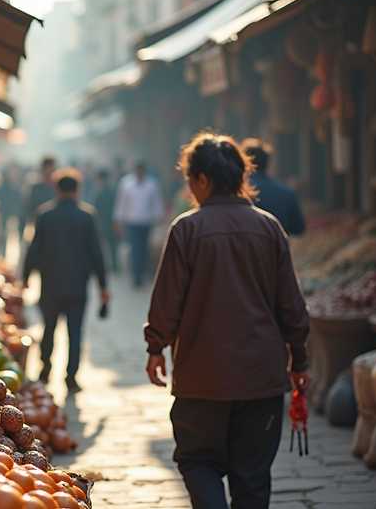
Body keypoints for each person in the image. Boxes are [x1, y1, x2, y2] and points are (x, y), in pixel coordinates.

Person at [144, 132, 311, 509]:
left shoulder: (186, 229)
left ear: (202, 180)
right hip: (261, 377)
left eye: (189, 179)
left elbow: (165, 303)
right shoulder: (269, 227)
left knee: (198, 461)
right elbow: (293, 307)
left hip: (201, 376)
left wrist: (156, 347)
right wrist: (299, 361)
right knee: (252, 477)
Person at [23, 168, 110, 391]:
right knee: (75, 333)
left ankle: (45, 370)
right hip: (77, 286)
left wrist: (25, 277)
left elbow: (34, 249)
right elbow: (96, 252)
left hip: (50, 284)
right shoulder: (87, 215)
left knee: (48, 329)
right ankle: (71, 378)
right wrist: (103, 285)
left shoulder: (45, 214)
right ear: (78, 189)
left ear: (57, 188)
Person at [113, 162, 164, 287]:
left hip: (146, 221)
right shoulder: (126, 184)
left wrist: (159, 216)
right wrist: (117, 219)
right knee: (135, 248)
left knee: (144, 248)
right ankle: (137, 276)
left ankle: (142, 272)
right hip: (132, 222)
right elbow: (121, 203)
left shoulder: (152, 184)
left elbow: (157, 201)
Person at [241, 139, 305, 235]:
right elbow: (298, 228)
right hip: (277, 248)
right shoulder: (286, 192)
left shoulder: (237, 192)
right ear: (268, 163)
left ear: (243, 162)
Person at [20, 155, 57, 240]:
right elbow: (26, 211)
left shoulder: (57, 190)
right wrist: (22, 232)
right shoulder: (34, 189)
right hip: (36, 230)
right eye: (48, 169)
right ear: (43, 170)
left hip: (53, 232)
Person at [89, 169, 119, 272]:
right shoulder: (112, 192)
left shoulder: (98, 193)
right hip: (111, 222)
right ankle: (114, 265)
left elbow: (93, 210)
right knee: (112, 245)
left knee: (104, 245)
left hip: (103, 223)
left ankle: (106, 265)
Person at [0, 164, 22, 256]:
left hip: (10, 212)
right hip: (2, 211)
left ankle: (3, 253)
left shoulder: (16, 185)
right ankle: (0, 251)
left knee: (7, 233)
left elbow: (18, 200)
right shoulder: (3, 184)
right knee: (1, 232)